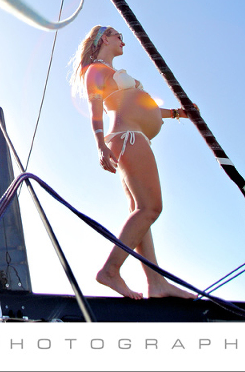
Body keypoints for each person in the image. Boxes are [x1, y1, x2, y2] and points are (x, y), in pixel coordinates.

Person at [69, 25, 196, 300]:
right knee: (151, 208)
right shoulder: (96, 70)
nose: (123, 41)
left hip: (135, 136)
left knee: (141, 212)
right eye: (118, 36)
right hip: (126, 137)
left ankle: (156, 282)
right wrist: (100, 143)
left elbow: (144, 106)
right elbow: (95, 108)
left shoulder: (114, 74)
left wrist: (178, 113)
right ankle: (111, 270)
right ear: (105, 38)